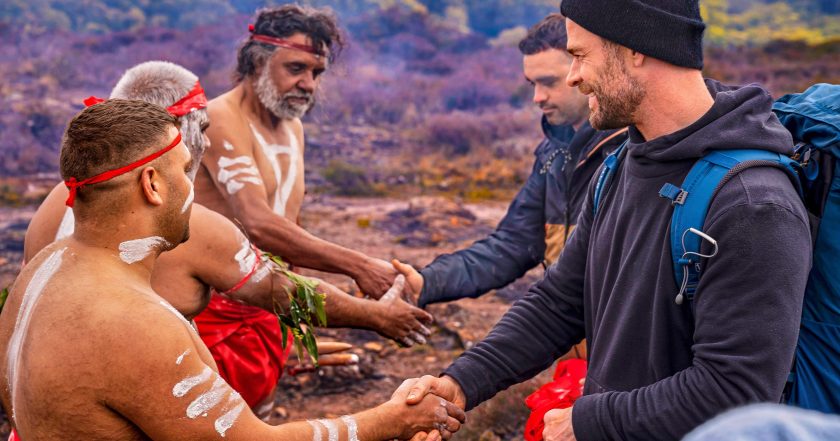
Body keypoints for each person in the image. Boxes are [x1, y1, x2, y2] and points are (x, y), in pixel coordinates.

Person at [402, 1, 812, 440]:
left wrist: (589, 421)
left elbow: (736, 391)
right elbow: (559, 304)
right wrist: (460, 384)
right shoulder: (621, 165)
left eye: (579, 55)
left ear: (635, 47)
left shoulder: (752, 204)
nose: (573, 76)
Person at [0, 99, 464, 440]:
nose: (193, 187)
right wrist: (391, 419)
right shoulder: (135, 323)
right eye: (186, 170)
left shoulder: (40, 273)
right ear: (152, 184)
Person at [393, 16, 627, 356]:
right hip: (583, 357)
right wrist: (427, 281)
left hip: (632, 366)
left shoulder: (633, 152)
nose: (537, 98)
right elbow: (512, 245)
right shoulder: (555, 154)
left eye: (548, 82)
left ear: (585, 67)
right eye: (532, 83)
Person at [194, 6, 398, 297]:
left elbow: (287, 220)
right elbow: (258, 224)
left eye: (317, 72)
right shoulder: (219, 118)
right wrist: (360, 266)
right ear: (257, 63)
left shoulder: (293, 127)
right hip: (216, 304)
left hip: (269, 300)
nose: (309, 84)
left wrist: (296, 296)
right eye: (295, 68)